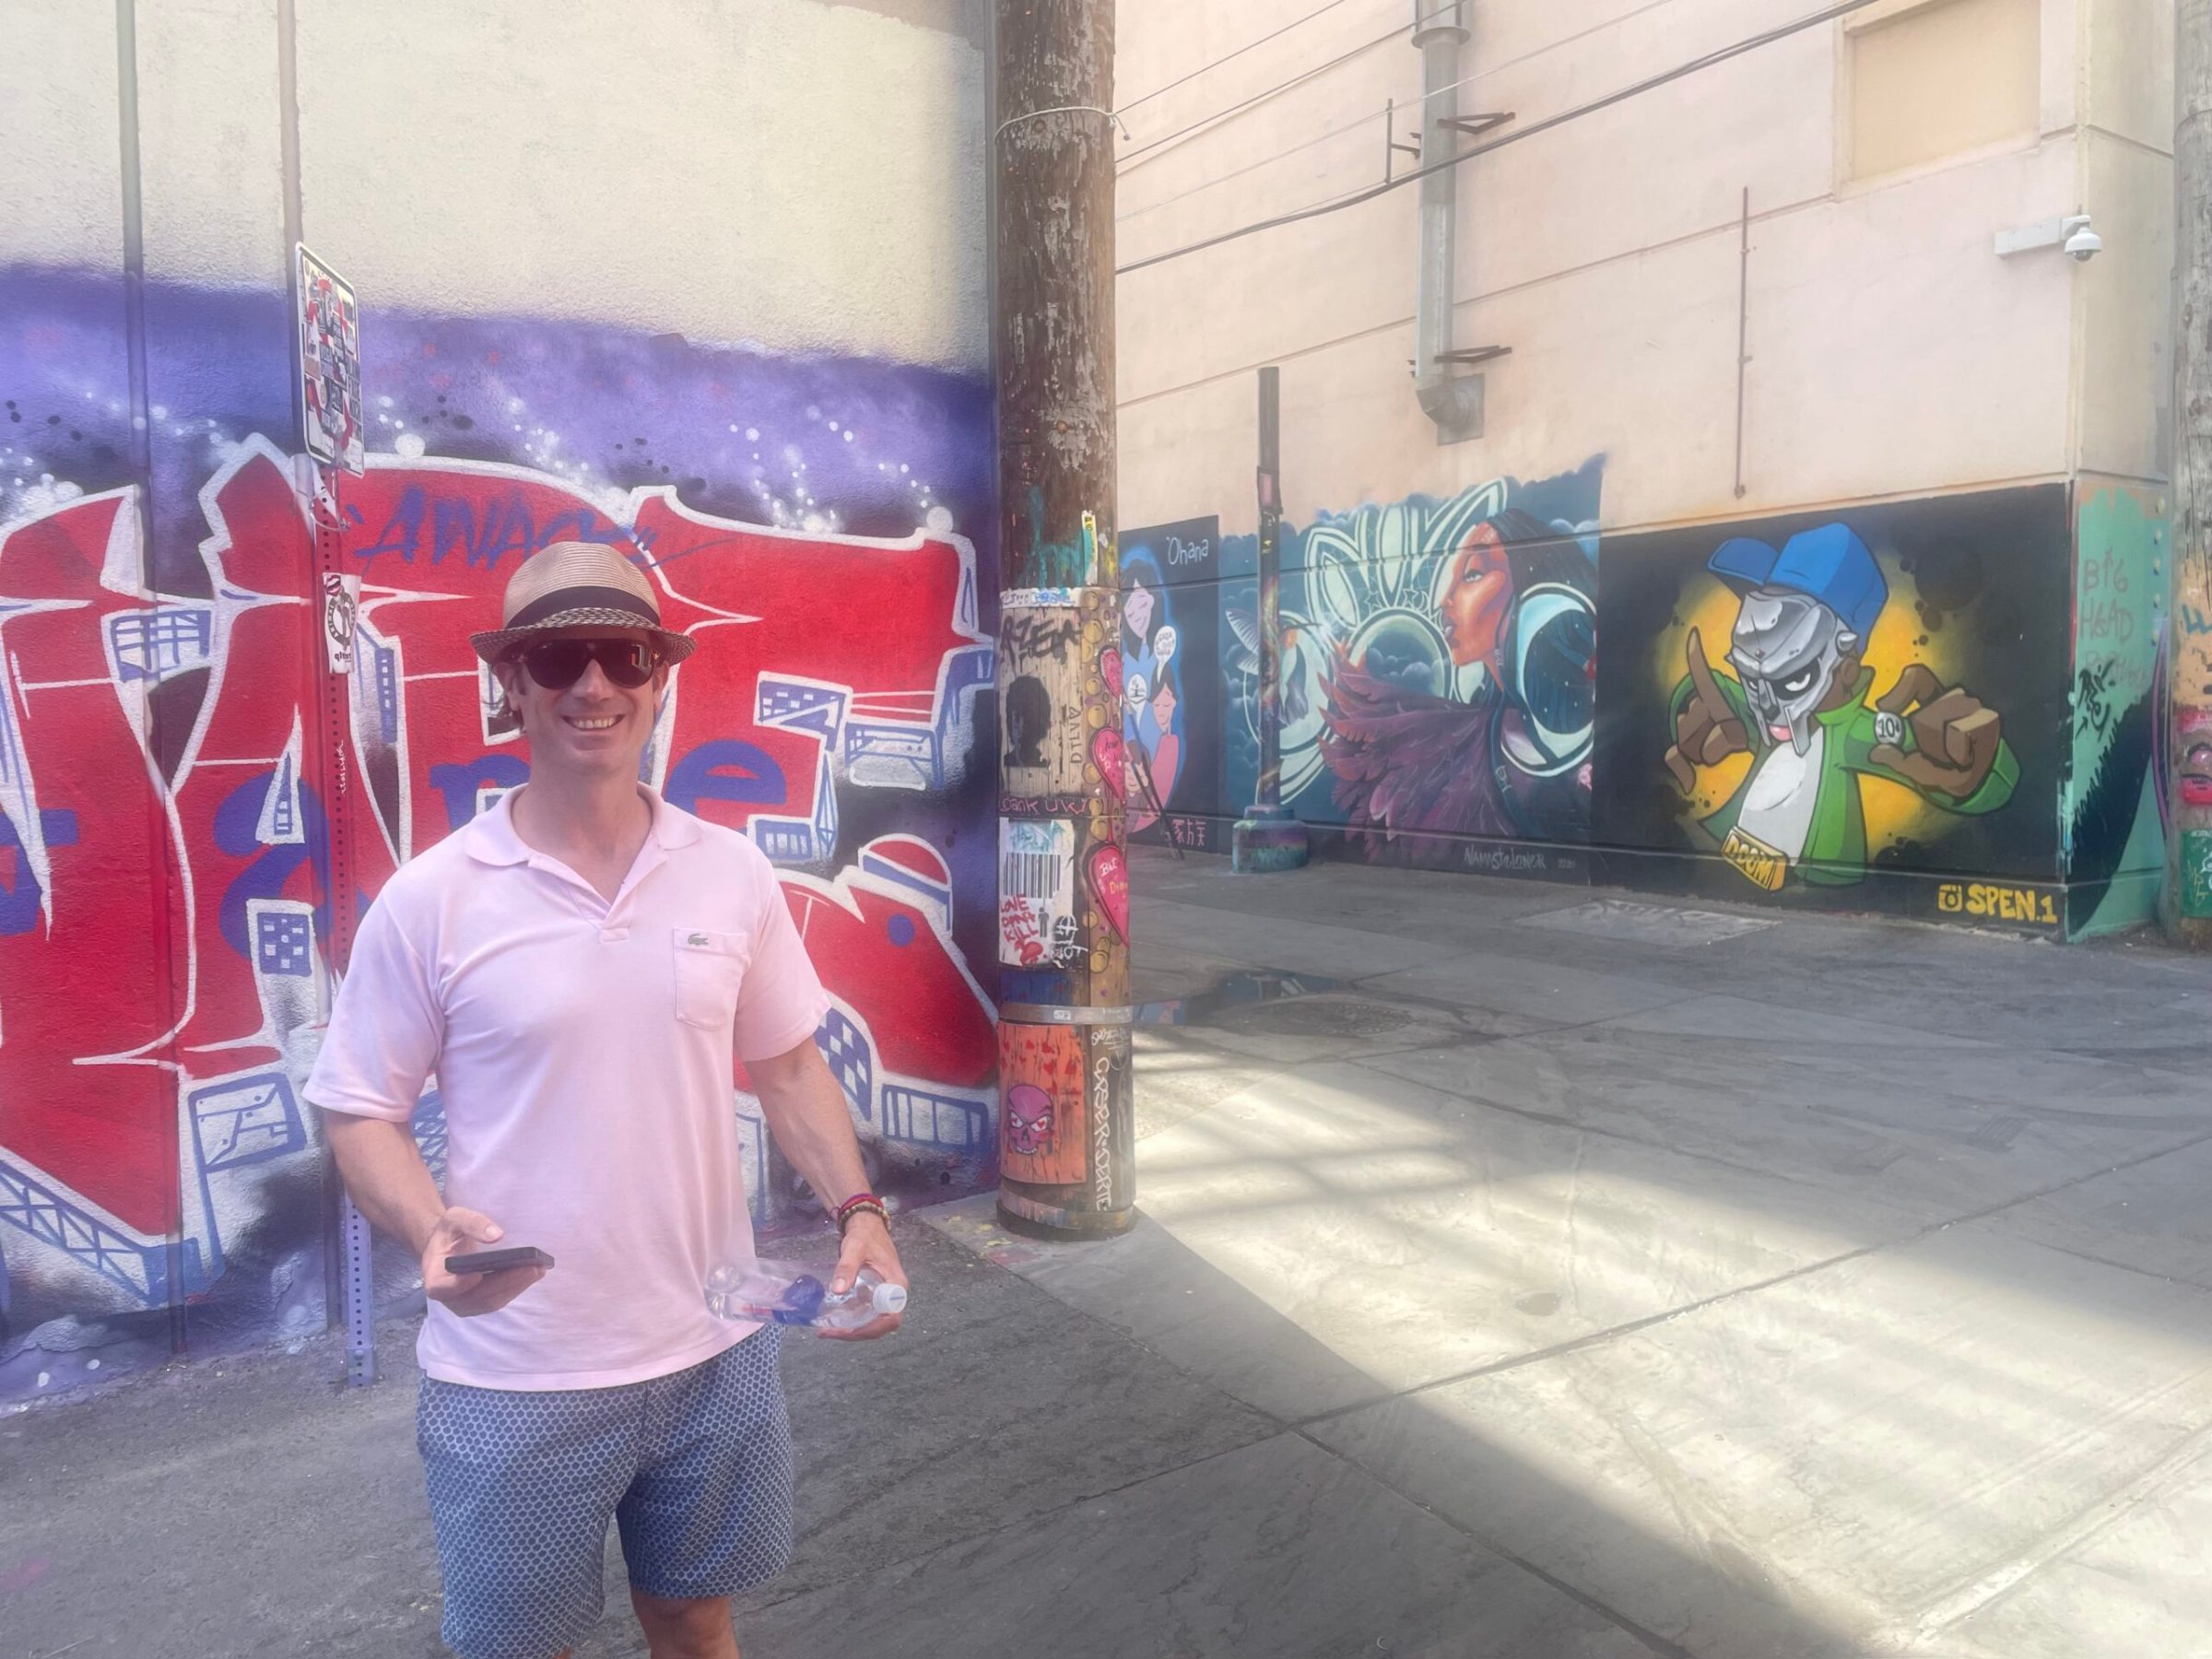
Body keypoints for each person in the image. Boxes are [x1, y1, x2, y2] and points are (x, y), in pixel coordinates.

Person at [308, 540, 906, 1659]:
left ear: (659, 678)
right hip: (516, 1374)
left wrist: (859, 1212)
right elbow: (358, 1111)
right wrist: (431, 1226)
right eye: (559, 656)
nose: (594, 685)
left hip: (716, 1344)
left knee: (694, 1619)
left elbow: (784, 1066)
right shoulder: (429, 900)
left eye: (624, 655)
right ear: (512, 684)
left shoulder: (730, 874)